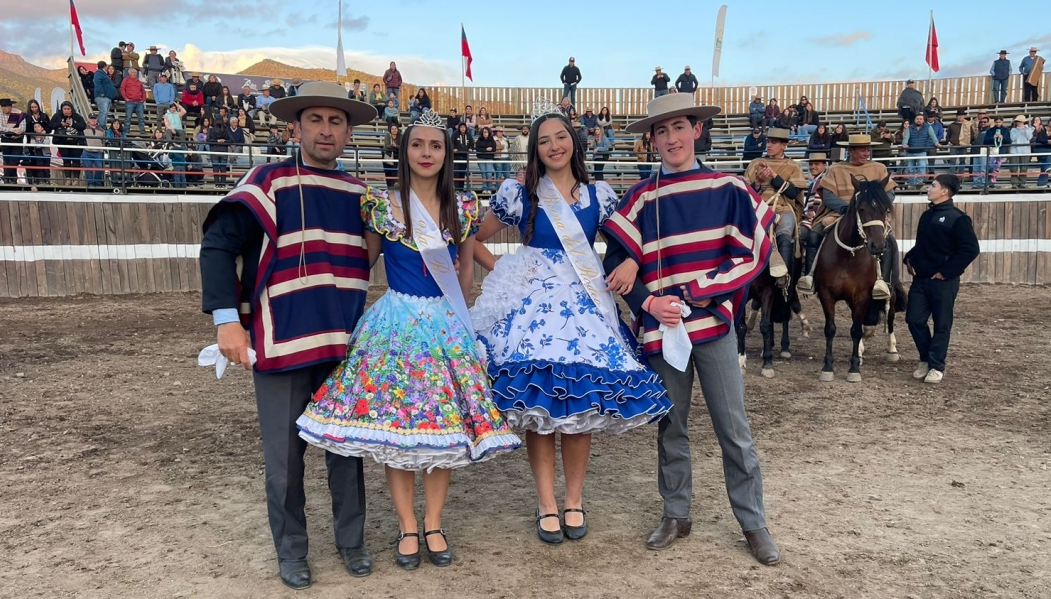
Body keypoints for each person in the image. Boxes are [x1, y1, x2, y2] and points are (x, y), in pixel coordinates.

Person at [297, 108, 520, 570]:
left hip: (444, 326)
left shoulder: (463, 206)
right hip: (395, 324)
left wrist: (467, 317)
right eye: (417, 145)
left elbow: (463, 270)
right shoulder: (382, 204)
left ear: (446, 153)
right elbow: (363, 263)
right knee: (397, 430)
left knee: (441, 429)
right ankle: (405, 525)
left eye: (435, 146)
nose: (426, 153)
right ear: (405, 151)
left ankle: (434, 523)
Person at [198, 82, 379, 590]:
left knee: (346, 451)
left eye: (336, 121)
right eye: (316, 119)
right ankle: (292, 550)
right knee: (284, 459)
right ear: (294, 127)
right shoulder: (267, 181)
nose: (326, 129)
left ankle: (352, 541)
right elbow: (217, 246)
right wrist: (225, 319)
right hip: (280, 341)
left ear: (349, 132)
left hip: (343, 344)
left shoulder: (361, 196)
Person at [471, 103, 670, 547]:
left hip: (584, 308)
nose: (553, 146)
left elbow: (628, 244)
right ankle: (546, 503)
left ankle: (574, 500)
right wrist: (507, 272)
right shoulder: (519, 192)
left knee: (578, 411)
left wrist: (633, 267)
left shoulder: (599, 195)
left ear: (573, 142)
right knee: (540, 412)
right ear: (535, 150)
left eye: (560, 137)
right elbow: (474, 236)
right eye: (543, 141)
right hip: (533, 312)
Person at [600, 93, 780, 565]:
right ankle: (676, 512)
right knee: (670, 425)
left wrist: (701, 290)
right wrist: (648, 301)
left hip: (713, 326)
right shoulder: (641, 197)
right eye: (661, 131)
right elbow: (618, 264)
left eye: (679, 127)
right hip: (662, 329)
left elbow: (754, 250)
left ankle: (753, 521)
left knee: (733, 427)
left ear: (696, 130)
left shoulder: (728, 188)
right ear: (652, 140)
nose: (671, 138)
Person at [797, 134, 898, 298]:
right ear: (851, 150)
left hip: (870, 216)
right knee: (814, 235)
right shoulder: (835, 169)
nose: (866, 153)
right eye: (863, 150)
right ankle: (811, 277)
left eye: (868, 150)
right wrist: (848, 208)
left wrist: (875, 204)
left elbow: (890, 194)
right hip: (839, 213)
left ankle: (885, 282)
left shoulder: (879, 168)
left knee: (889, 241)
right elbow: (828, 196)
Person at [903, 174, 980, 385]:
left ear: (944, 191)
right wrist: (909, 258)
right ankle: (926, 359)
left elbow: (971, 249)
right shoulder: (927, 217)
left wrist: (947, 272)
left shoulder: (958, 218)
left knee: (941, 324)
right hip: (921, 279)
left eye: (933, 185)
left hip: (944, 282)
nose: (929, 188)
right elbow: (923, 245)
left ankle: (936, 365)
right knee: (914, 319)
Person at [745, 127, 806, 285]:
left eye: (774, 142)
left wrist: (774, 176)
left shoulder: (793, 166)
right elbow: (745, 193)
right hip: (759, 208)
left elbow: (793, 194)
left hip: (784, 208)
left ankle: (783, 275)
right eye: (768, 141)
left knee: (785, 231)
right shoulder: (755, 164)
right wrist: (757, 183)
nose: (769, 145)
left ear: (784, 145)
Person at [50, 101, 87, 186]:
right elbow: (50, 125)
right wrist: (60, 124)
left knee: (76, 161)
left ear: (71, 109)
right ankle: (68, 178)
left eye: (68, 109)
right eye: (65, 109)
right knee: (66, 160)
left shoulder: (77, 116)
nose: (66, 110)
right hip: (62, 142)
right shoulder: (57, 116)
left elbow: (83, 126)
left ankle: (76, 179)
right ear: (62, 109)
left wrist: (73, 124)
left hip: (76, 142)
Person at [902, 113, 941, 188]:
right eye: (917, 119)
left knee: (922, 168)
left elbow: (933, 137)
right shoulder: (909, 128)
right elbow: (906, 138)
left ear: (923, 120)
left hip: (921, 152)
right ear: (914, 120)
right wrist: (904, 144)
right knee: (910, 170)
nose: (919, 120)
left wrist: (937, 143)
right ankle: (912, 185)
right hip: (910, 152)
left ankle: (919, 183)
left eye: (920, 119)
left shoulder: (928, 127)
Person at [0, 98, 25, 184]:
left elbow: (22, 128)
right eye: (2, 106)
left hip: (17, 139)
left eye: (5, 106)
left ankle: (7, 176)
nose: (3, 108)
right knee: (7, 159)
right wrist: (12, 130)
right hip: (6, 138)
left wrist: (10, 130)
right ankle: (12, 179)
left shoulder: (19, 113)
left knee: (15, 159)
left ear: (10, 106)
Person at [1008, 115, 1034, 188]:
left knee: (1024, 168)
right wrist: (1019, 130)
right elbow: (1013, 138)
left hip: (1025, 151)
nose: (1019, 123)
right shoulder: (1013, 130)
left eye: (1020, 121)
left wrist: (1025, 129)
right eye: (1018, 121)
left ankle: (1022, 182)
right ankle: (1014, 183)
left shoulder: (1028, 129)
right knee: (1014, 168)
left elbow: (1029, 137)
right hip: (1014, 151)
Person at [81, 114, 105, 188]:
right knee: (88, 169)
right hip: (87, 151)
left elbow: (103, 140)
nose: (93, 120)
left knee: (99, 168)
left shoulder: (102, 129)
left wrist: (102, 149)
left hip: (98, 152)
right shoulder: (83, 128)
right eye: (91, 118)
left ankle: (97, 183)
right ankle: (90, 183)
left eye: (94, 118)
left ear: (97, 119)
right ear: (88, 119)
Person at [474, 126, 495, 192]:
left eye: (486, 132)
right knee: (483, 174)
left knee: (489, 174)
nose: (485, 134)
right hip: (481, 158)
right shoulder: (479, 140)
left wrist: (487, 150)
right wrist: (486, 149)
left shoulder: (492, 140)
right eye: (484, 132)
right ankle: (484, 188)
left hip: (489, 158)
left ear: (489, 133)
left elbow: (494, 149)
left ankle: (489, 188)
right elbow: (477, 149)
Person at [452, 121, 473, 190]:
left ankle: (461, 189)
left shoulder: (469, 135)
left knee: (462, 174)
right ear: (459, 128)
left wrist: (470, 148)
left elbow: (472, 144)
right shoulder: (455, 134)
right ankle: (456, 189)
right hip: (456, 157)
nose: (463, 129)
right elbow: (451, 142)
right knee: (456, 173)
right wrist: (454, 148)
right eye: (461, 127)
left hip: (465, 157)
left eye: (464, 127)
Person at [383, 124, 401, 189]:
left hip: (397, 158)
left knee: (395, 174)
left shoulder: (400, 136)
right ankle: (389, 188)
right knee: (388, 174)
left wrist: (396, 146)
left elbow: (402, 147)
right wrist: (394, 146)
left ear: (397, 129)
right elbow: (386, 146)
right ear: (390, 130)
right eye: (392, 129)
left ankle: (393, 188)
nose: (394, 130)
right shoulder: (388, 135)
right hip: (388, 157)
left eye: (395, 129)